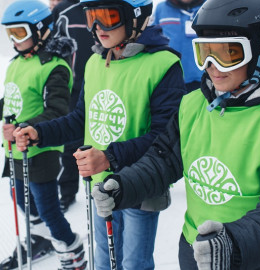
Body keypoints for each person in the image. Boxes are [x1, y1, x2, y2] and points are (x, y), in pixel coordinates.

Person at [85, 0, 260, 269]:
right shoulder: (194, 105)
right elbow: (162, 161)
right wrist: (124, 186)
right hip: (194, 249)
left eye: (228, 54)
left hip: (247, 258)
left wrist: (234, 244)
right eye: (204, 52)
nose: (211, 66)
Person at [13, 0, 187, 269]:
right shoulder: (96, 61)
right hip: (100, 184)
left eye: (108, 17)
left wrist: (109, 157)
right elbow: (81, 119)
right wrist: (39, 132)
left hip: (139, 186)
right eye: (92, 17)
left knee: (133, 263)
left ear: (135, 17)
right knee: (104, 259)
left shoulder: (163, 64)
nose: (96, 27)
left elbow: (164, 139)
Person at [0, 0, 87, 269]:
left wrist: (23, 125)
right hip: (14, 148)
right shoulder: (17, 63)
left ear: (41, 30)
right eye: (10, 34)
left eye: (19, 33)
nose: (14, 41)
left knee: (48, 209)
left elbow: (58, 110)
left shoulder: (55, 66)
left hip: (41, 150)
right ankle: (39, 238)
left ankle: (72, 247)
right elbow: (10, 100)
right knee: (19, 198)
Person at [52, 0, 95, 213]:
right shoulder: (63, 10)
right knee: (70, 142)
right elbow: (49, 42)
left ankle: (103, 189)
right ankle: (67, 192)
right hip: (73, 86)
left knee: (100, 137)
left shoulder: (103, 6)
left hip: (102, 81)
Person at [151, 0, 204, 92]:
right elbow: (152, 38)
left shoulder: (208, 6)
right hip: (170, 77)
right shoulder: (161, 8)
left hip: (202, 77)